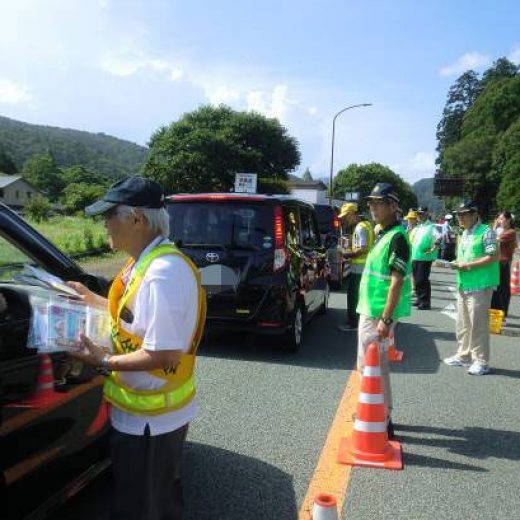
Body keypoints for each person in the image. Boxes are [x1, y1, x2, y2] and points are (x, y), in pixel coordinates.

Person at [68, 176, 206, 520]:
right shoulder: (144, 263)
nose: (104, 222)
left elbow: (164, 353)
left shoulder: (164, 272)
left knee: (146, 508)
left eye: (109, 214)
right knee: (143, 501)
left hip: (152, 423)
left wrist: (103, 361)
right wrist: (92, 299)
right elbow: (132, 317)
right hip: (140, 415)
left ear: (137, 219)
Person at [356, 183, 412, 437]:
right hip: (371, 309)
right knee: (373, 365)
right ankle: (379, 413)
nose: (373, 208)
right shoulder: (384, 232)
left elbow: (397, 281)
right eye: (371, 203)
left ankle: (381, 418)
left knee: (373, 366)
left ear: (393, 206)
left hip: (378, 313)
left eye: (379, 203)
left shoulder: (398, 237)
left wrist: (386, 319)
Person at [444, 200, 499, 376]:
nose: (460, 217)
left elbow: (493, 255)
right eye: (458, 214)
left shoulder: (486, 231)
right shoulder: (464, 233)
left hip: (481, 285)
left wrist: (467, 265)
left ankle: (481, 361)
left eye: (464, 214)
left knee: (478, 325)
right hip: (464, 284)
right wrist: (457, 263)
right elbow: (465, 256)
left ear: (475, 214)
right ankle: (464, 355)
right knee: (463, 324)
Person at [337, 202, 375, 331]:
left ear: (352, 214)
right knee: (361, 295)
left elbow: (363, 248)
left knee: (353, 296)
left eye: (345, 217)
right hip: (365, 266)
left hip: (359, 267)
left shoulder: (360, 227)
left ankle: (353, 324)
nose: (344, 220)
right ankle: (359, 322)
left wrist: (346, 254)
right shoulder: (367, 224)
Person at [410, 206, 441, 310]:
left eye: (422, 214)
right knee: (416, 280)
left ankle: (425, 302)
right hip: (415, 256)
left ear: (427, 214)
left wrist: (432, 249)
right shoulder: (418, 227)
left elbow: (438, 238)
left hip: (425, 258)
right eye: (418, 214)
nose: (419, 216)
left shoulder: (430, 227)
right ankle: (419, 299)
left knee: (422, 280)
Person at [491, 211, 517, 316]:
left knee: (503, 290)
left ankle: (502, 312)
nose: (499, 221)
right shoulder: (502, 231)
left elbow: (493, 240)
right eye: (499, 219)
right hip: (497, 262)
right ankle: (495, 312)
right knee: (496, 289)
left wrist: (494, 227)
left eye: (502, 219)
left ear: (508, 220)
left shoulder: (511, 232)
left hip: (503, 263)